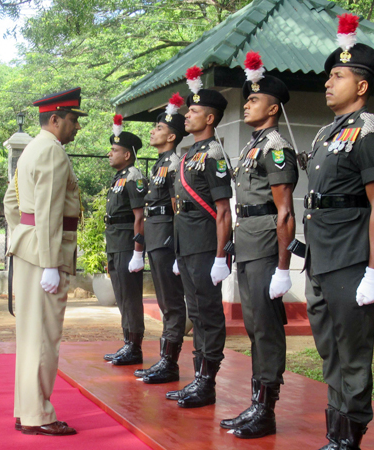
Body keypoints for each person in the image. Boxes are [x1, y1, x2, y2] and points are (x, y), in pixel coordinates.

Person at [302, 14, 374, 450]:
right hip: (320, 255)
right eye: (328, 76)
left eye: (337, 76)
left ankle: (350, 436)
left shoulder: (373, 131)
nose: (328, 83)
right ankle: (335, 431)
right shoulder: (325, 134)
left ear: (361, 85)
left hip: (351, 255)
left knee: (352, 350)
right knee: (329, 347)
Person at [219, 51, 298, 439]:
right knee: (253, 325)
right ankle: (256, 403)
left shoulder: (276, 146)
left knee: (266, 327)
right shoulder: (253, 146)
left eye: (254, 99)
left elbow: (285, 211)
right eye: (247, 99)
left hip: (266, 244)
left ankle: (266, 410)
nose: (247, 104)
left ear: (273, 107)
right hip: (248, 242)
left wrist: (283, 268)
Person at [3, 87, 85, 436]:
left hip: (30, 249)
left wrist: (24, 234)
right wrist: (50, 261)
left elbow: (11, 201)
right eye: (73, 120)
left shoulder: (31, 149)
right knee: (43, 337)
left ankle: (27, 409)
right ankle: (38, 415)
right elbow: (50, 210)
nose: (76, 127)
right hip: (44, 256)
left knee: (29, 336)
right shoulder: (52, 151)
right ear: (55, 119)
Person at [165, 66, 232, 408]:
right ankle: (198, 377)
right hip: (187, 245)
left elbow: (223, 210)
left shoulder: (214, 155)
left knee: (208, 313)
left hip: (206, 246)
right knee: (196, 311)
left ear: (209, 118)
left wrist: (221, 256)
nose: (186, 116)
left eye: (193, 111)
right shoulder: (189, 154)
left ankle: (207, 382)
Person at [133, 93, 189, 384]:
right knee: (165, 301)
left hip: (167, 237)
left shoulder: (175, 162)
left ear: (172, 136)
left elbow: (178, 208)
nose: (153, 132)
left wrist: (178, 247)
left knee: (172, 302)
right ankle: (165, 359)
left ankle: (170, 362)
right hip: (156, 236)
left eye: (159, 128)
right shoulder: (159, 164)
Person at [102, 115, 148, 366]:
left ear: (127, 154)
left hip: (127, 244)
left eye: (115, 150)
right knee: (121, 295)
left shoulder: (134, 176)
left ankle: (135, 346)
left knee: (130, 296)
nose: (109, 154)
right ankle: (128, 342)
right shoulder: (120, 177)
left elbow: (140, 216)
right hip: (115, 242)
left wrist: (138, 252)